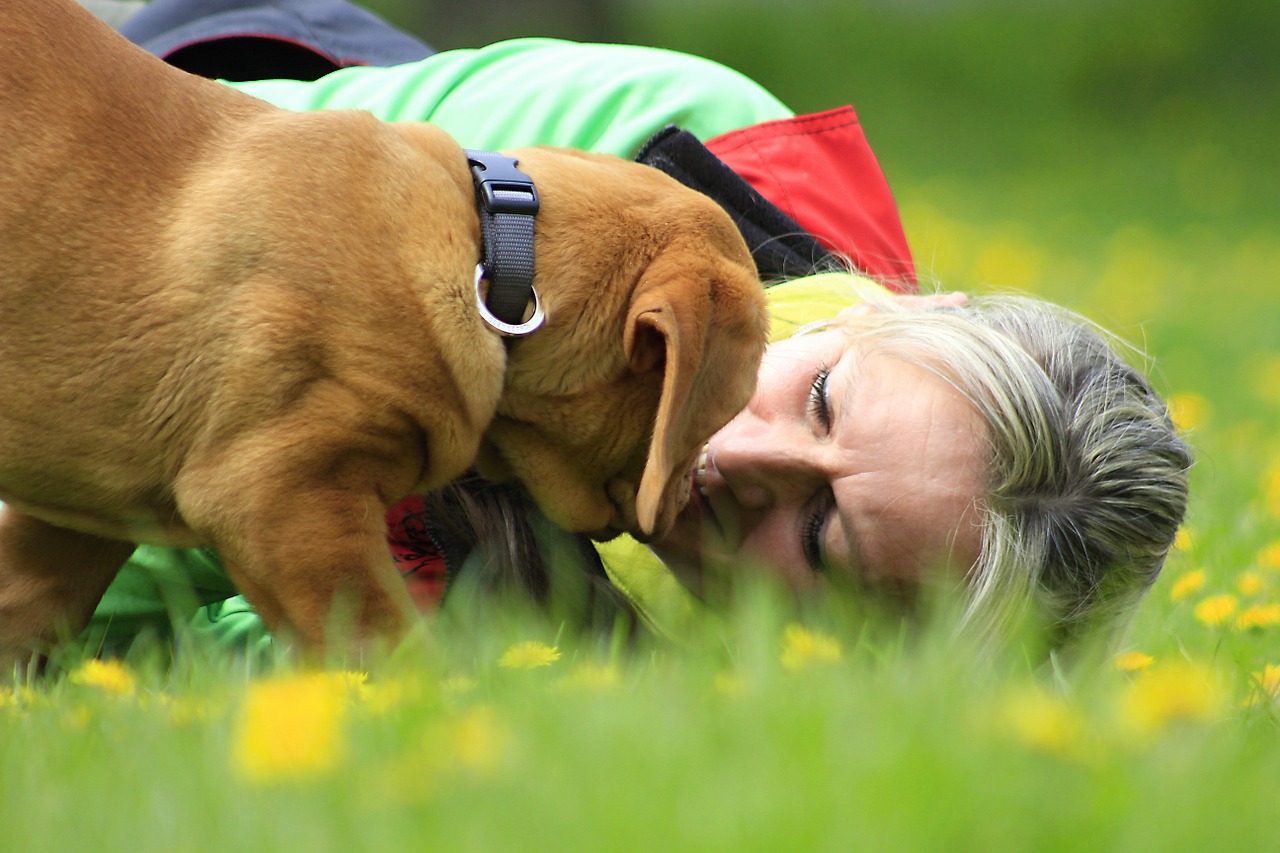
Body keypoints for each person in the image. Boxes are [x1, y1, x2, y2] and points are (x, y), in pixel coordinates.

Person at [75, 0, 1191, 659]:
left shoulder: (595, 677)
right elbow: (190, 336)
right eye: (818, 401)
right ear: (909, 308)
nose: (735, 460)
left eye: (816, 538)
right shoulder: (683, 149)